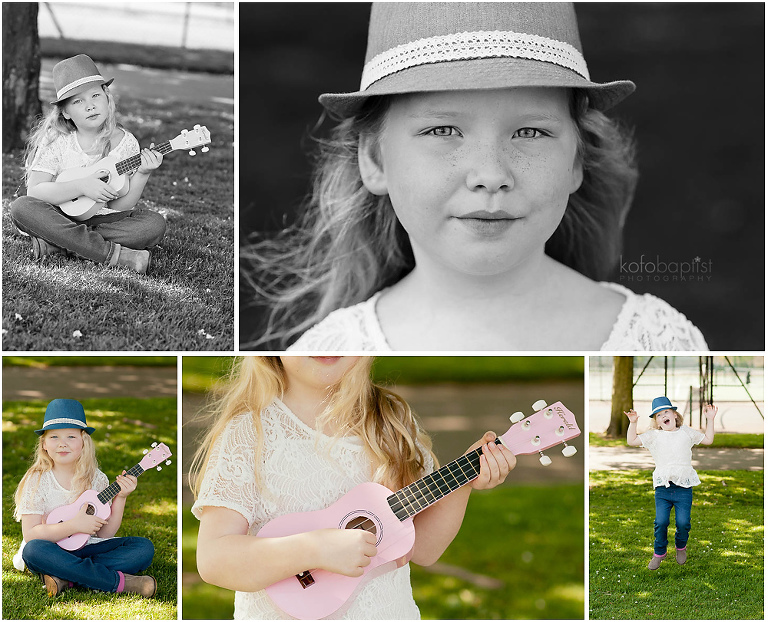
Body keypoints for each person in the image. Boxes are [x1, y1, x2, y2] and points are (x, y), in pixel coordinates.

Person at [243, 2, 708, 351]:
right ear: (375, 160)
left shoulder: (658, 342)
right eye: (442, 130)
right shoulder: (326, 357)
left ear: (575, 161)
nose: (490, 175)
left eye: (530, 131)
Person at [189, 356, 516, 619]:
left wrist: (463, 482)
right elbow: (214, 558)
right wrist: (314, 548)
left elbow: (424, 549)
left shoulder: (391, 422)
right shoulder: (250, 432)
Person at [10, 54, 167, 274]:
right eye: (78, 101)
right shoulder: (56, 139)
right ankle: (116, 256)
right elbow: (36, 191)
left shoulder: (125, 143)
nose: (90, 106)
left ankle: (58, 242)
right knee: (21, 207)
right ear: (65, 111)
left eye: (95, 95)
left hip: (102, 219)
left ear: (107, 97)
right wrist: (82, 186)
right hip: (59, 213)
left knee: (153, 224)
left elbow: (118, 207)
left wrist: (142, 173)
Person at [12, 399, 157, 597]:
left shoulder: (97, 479)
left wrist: (121, 497)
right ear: (44, 444)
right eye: (54, 437)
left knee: (143, 548)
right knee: (33, 551)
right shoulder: (37, 480)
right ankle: (118, 583)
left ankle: (65, 576)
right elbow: (31, 535)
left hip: (86, 548)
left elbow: (104, 534)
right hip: (50, 549)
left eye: (71, 436)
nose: (62, 443)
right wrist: (74, 526)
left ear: (84, 442)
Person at [625, 396, 717, 570]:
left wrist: (710, 419)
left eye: (666, 412)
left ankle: (680, 546)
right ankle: (659, 553)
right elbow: (632, 441)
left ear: (675, 415)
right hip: (663, 488)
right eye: (659, 415)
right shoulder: (654, 436)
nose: (663, 416)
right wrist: (633, 423)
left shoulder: (686, 432)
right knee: (661, 522)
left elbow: (708, 440)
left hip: (683, 488)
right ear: (657, 422)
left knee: (683, 523)